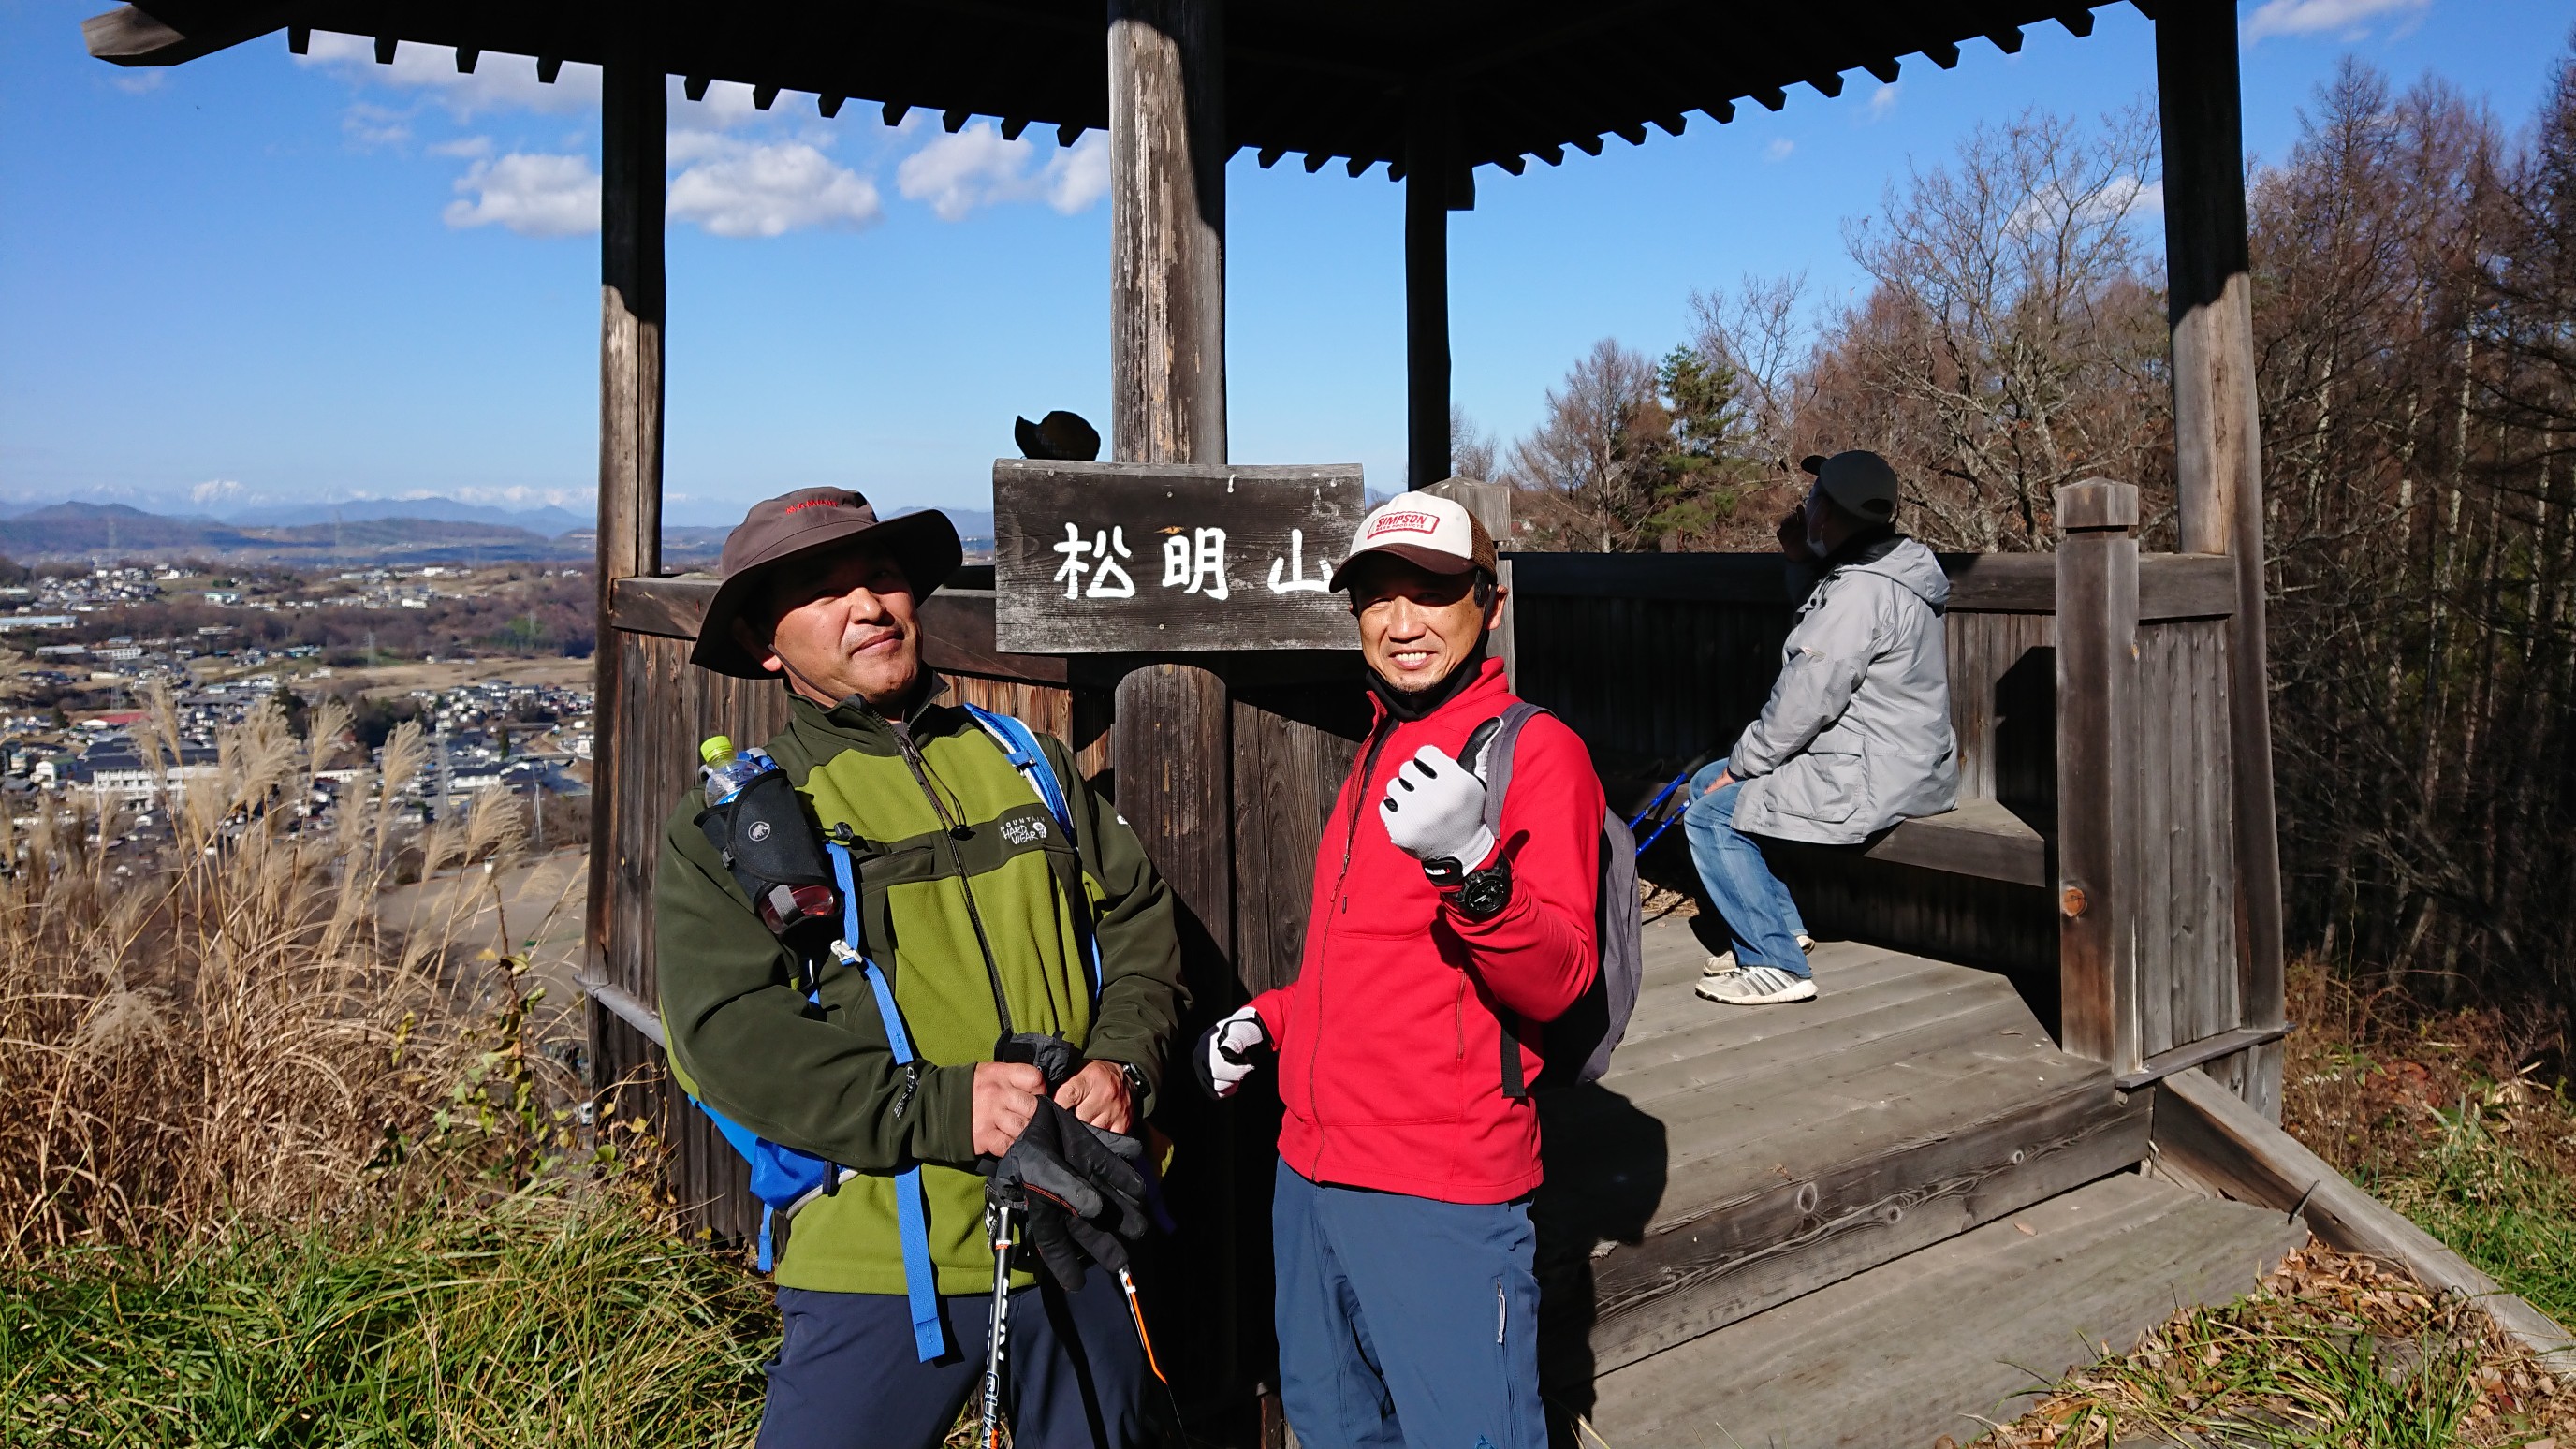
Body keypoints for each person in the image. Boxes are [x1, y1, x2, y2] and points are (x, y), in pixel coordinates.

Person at [653, 487, 1187, 1449]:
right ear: (764, 643)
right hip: (880, 1266)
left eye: (883, 576)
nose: (868, 605)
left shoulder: (1026, 762)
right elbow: (724, 1036)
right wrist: (942, 1108)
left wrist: (1125, 1065)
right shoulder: (737, 825)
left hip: (1079, 1231)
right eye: (824, 592)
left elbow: (1138, 919)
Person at [1198, 491, 1604, 1449]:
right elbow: (1376, 958)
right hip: (1309, 1170)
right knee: (1331, 1424)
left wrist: (1473, 867)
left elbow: (1559, 979)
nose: (1401, 622)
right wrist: (1276, 1019)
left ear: (1490, 604)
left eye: (1431, 592)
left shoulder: (1535, 753)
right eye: (1377, 596)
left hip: (1441, 1190)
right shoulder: (1379, 739)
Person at [1690, 450, 1958, 1005]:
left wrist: (1743, 765)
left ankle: (1775, 964)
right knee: (1703, 785)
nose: (1804, 504)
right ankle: (1781, 929)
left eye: (1813, 498)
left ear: (1828, 514)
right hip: (1902, 762)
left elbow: (1805, 698)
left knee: (1710, 812)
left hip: (1871, 775)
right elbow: (1822, 618)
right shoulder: (1884, 571)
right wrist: (1800, 557)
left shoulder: (1861, 593)